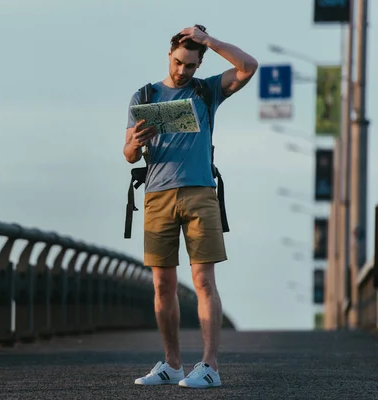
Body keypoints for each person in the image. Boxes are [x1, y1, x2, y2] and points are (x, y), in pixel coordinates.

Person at [123, 25, 258, 389]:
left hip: (200, 192)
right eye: (180, 63)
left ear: (200, 64)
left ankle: (210, 366)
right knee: (162, 285)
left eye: (191, 65)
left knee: (202, 280)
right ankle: (172, 364)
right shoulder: (145, 94)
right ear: (169, 55)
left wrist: (210, 42)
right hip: (157, 195)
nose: (183, 71)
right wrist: (134, 143)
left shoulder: (206, 90)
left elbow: (248, 66)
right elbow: (128, 154)